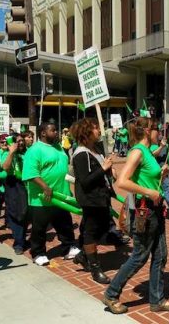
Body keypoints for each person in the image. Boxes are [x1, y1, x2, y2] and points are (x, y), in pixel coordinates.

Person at [102, 117, 169, 314]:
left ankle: (157, 299)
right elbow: (122, 181)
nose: (160, 134)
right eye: (156, 130)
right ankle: (111, 293)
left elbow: (146, 177)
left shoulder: (146, 151)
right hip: (144, 211)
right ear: (147, 131)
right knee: (139, 256)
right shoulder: (137, 151)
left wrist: (161, 174)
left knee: (161, 255)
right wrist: (149, 192)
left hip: (155, 210)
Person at [22, 123, 80, 266]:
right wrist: (45, 187)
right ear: (42, 133)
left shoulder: (59, 147)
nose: (56, 132)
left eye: (56, 130)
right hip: (42, 198)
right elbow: (30, 173)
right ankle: (38, 253)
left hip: (61, 195)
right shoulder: (34, 150)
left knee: (65, 223)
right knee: (39, 228)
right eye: (53, 130)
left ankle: (68, 247)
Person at [70, 119, 115, 284]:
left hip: (101, 197)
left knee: (103, 228)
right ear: (86, 132)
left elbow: (102, 172)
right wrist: (102, 168)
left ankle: (83, 255)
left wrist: (109, 169)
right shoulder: (81, 154)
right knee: (91, 232)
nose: (98, 131)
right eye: (95, 128)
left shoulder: (96, 149)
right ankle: (95, 268)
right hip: (91, 199)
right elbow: (85, 180)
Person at [2, 134, 29, 255]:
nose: (21, 143)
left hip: (27, 185)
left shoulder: (28, 153)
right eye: (18, 141)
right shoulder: (7, 153)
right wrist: (11, 153)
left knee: (24, 213)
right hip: (13, 185)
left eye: (22, 140)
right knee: (15, 213)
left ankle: (21, 239)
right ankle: (19, 243)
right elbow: (6, 168)